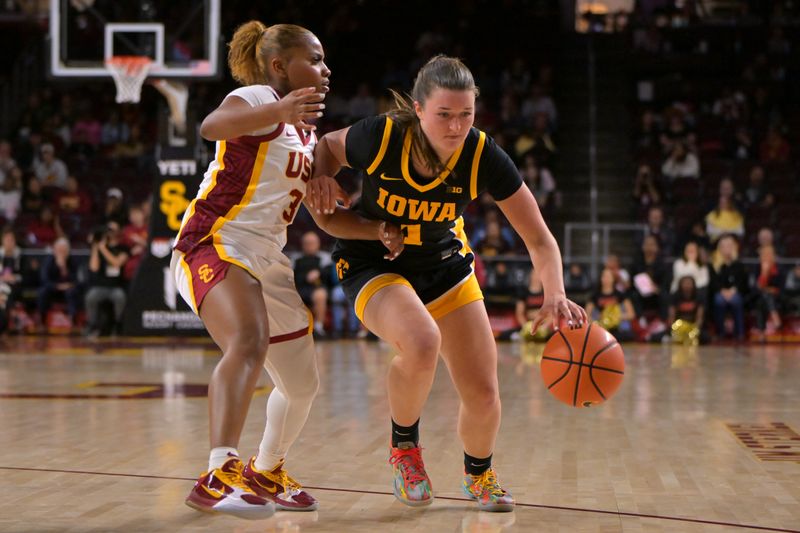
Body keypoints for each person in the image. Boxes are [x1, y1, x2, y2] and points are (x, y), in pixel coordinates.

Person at [306, 55, 586, 512]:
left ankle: (480, 475)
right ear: (418, 109)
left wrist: (554, 292)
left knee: (483, 392)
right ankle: (405, 450)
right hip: (373, 262)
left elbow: (539, 238)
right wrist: (320, 175)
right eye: (444, 115)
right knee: (420, 341)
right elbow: (329, 146)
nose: (456, 127)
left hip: (444, 265)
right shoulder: (382, 136)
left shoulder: (483, 156)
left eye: (465, 115)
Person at [171, 21, 403, 520]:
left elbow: (323, 216)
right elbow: (210, 126)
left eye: (324, 59)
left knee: (301, 384)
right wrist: (276, 109)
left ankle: (267, 468)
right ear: (280, 66)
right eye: (315, 59)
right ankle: (218, 473)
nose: (326, 68)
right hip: (216, 241)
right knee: (248, 342)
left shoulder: (306, 133)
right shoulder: (255, 97)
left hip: (268, 260)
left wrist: (379, 230)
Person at [84, 220, 129, 337]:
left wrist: (103, 249)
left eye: (113, 230)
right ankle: (92, 325)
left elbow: (116, 263)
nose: (111, 233)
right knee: (91, 297)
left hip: (116, 286)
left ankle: (117, 325)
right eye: (108, 230)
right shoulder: (100, 247)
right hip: (100, 286)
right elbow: (93, 268)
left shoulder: (123, 248)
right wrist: (95, 246)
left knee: (120, 297)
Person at [710, 234, 748, 341]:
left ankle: (740, 332)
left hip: (735, 292)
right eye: (724, 246)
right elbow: (714, 282)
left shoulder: (739, 264)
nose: (727, 248)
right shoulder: (715, 264)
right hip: (720, 292)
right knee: (719, 301)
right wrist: (722, 291)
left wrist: (733, 290)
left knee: (736, 301)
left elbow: (743, 282)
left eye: (729, 245)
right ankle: (720, 332)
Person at [585, 267, 636, 342]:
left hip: (617, 328)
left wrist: (615, 316)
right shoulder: (595, 296)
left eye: (609, 276)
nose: (606, 279)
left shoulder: (620, 295)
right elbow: (586, 315)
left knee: (629, 335)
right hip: (601, 328)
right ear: (601, 278)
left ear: (613, 279)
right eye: (604, 276)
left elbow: (631, 314)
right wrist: (597, 321)